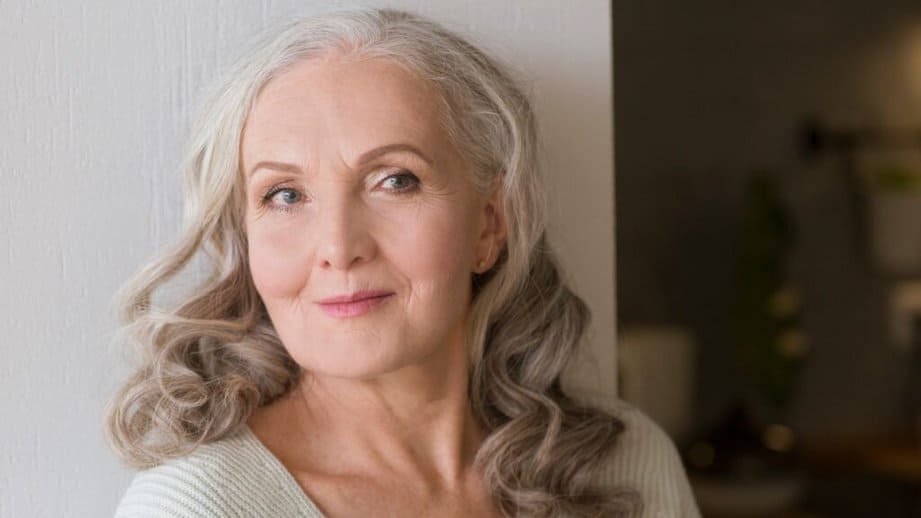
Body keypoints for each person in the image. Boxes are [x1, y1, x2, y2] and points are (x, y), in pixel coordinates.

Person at [105, 7, 700, 518]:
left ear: (490, 224)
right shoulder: (198, 506)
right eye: (284, 195)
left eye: (395, 180)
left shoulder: (630, 468)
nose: (338, 247)